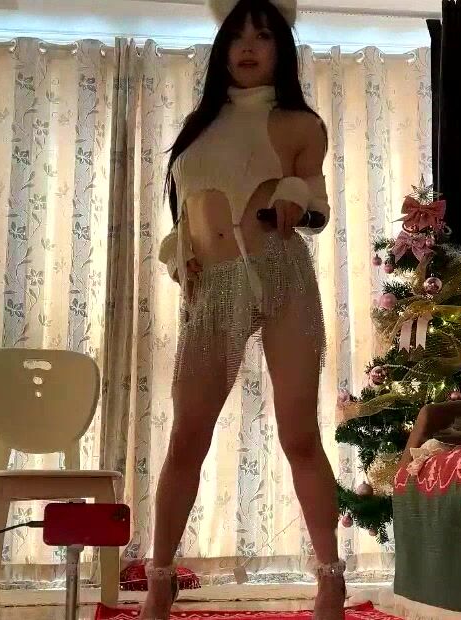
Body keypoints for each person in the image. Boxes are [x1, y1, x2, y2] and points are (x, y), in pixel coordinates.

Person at [140, 0, 344, 618]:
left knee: (299, 434)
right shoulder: (197, 127)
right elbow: (184, 216)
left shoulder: (300, 123)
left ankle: (330, 578)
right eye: (238, 37)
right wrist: (181, 258)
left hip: (281, 275)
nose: (249, 47)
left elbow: (317, 205)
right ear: (222, 48)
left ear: (282, 48)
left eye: (263, 36)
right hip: (214, 288)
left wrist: (294, 201)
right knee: (186, 437)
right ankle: (159, 578)